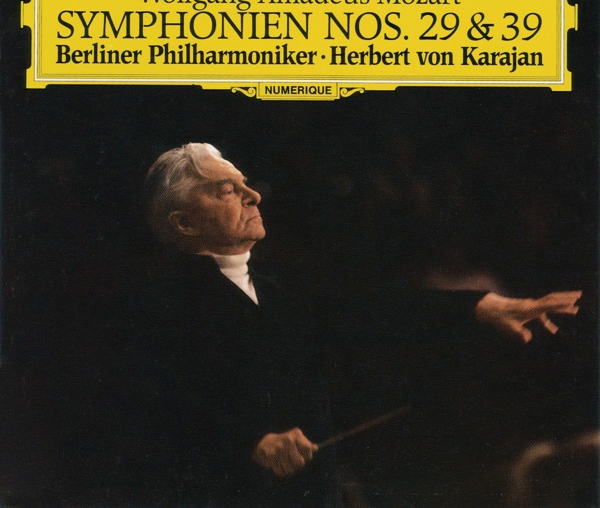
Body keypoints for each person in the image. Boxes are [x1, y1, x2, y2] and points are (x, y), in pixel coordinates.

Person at [106, 142, 580, 505]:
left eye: (245, 184)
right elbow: (154, 413)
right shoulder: (155, 309)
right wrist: (249, 443)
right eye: (227, 190)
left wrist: (480, 306)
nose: (253, 196)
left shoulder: (275, 289)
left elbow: (370, 312)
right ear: (185, 223)